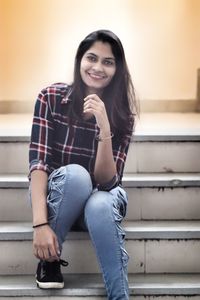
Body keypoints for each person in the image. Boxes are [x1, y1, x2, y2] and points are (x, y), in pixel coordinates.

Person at [29, 29, 137, 299]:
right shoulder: (50, 98)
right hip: (61, 200)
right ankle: (50, 259)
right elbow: (39, 164)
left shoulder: (123, 114)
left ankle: (120, 295)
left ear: (117, 69)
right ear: (80, 60)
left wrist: (104, 124)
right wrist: (40, 226)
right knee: (77, 176)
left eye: (108, 62)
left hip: (100, 206)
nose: (98, 68)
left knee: (100, 200)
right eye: (92, 58)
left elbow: (107, 181)